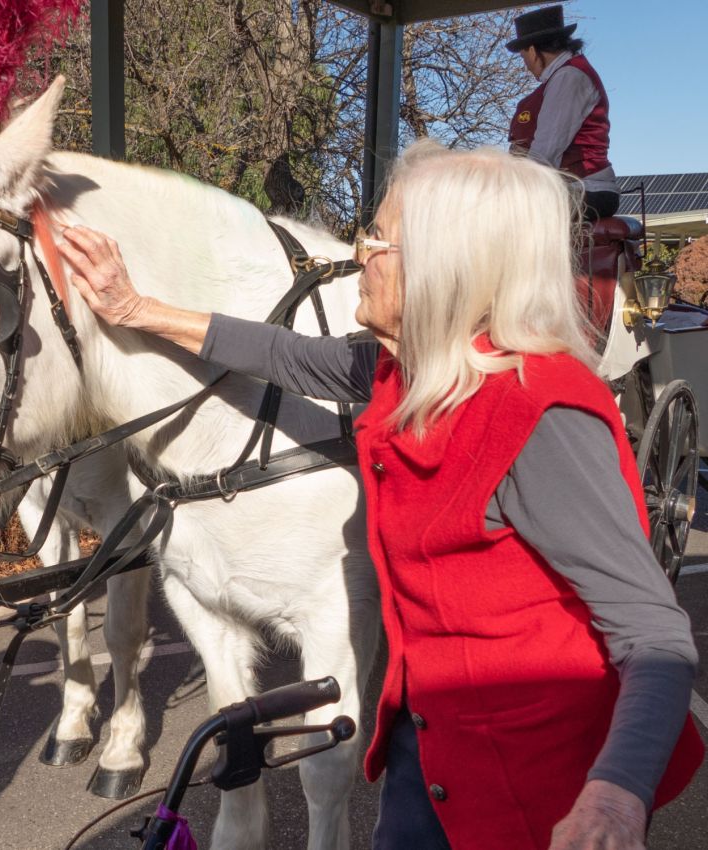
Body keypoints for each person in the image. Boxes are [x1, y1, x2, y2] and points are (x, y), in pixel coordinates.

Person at [57, 141, 703, 850]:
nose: (358, 251)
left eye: (379, 239)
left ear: (446, 268)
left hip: (535, 788)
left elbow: (656, 635)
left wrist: (616, 796)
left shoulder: (542, 416)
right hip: (427, 745)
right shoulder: (407, 368)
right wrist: (137, 306)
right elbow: (280, 353)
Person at [507, 4, 620, 222]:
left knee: (499, 212)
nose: (526, 66)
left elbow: (545, 152)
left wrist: (512, 186)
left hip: (587, 190)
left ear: (532, 50)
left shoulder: (568, 77)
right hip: (579, 187)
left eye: (523, 57)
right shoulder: (565, 76)